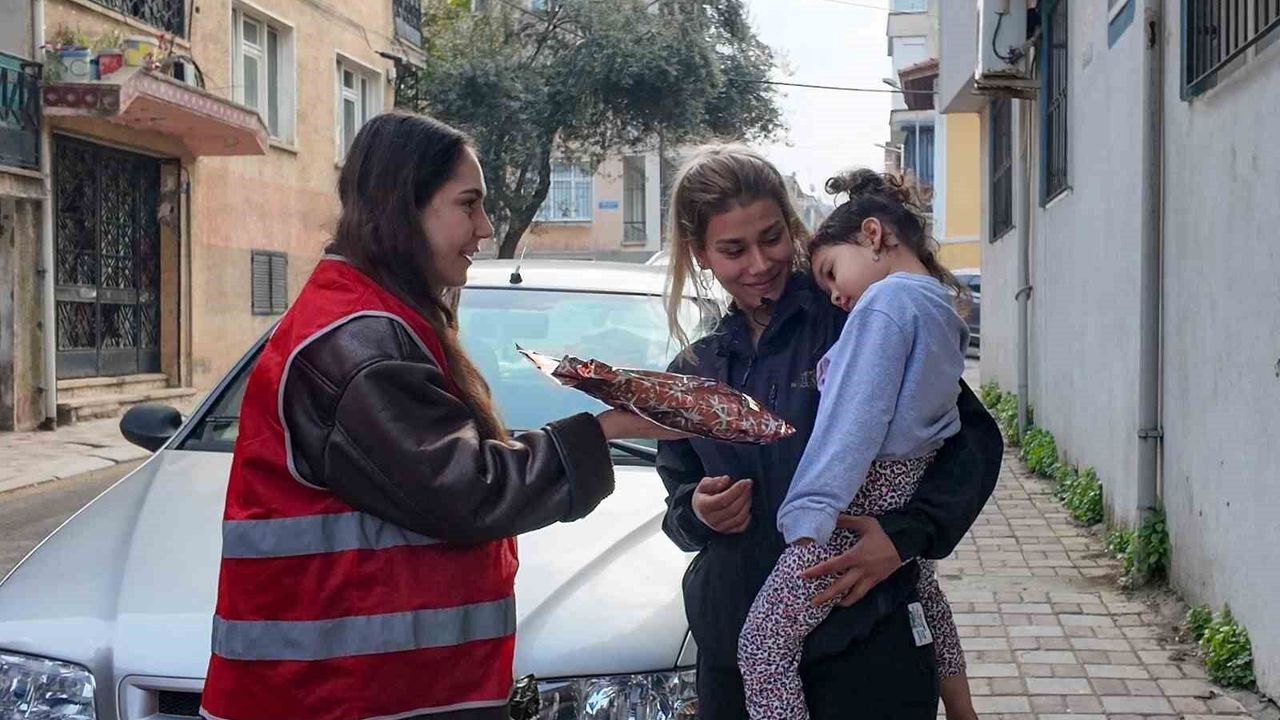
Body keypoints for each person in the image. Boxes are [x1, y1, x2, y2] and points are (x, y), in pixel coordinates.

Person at [199, 112, 672, 720]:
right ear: (403, 208)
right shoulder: (360, 344)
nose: (485, 228)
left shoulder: (371, 317)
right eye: (468, 205)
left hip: (358, 692)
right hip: (337, 696)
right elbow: (466, 489)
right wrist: (607, 430)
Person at [657, 146, 1003, 720]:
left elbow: (969, 446)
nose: (759, 263)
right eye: (733, 250)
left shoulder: (857, 317)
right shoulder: (695, 370)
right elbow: (677, 500)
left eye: (772, 238)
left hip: (868, 655)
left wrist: (903, 536)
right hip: (734, 658)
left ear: (791, 226)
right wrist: (696, 510)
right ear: (702, 254)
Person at [737, 168, 978, 720]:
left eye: (831, 272)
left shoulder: (886, 303)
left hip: (861, 494)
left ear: (873, 235)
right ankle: (964, 712)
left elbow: (854, 418)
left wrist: (810, 511)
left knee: (763, 646)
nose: (835, 295)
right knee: (925, 595)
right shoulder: (939, 306)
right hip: (910, 483)